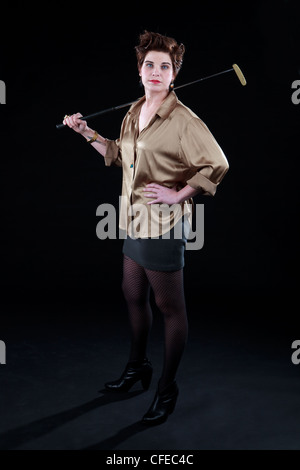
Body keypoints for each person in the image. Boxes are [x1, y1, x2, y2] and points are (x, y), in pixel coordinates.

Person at [63, 31, 229, 425]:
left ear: (174, 75)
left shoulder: (185, 120)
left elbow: (217, 164)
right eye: (149, 65)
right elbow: (119, 156)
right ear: (140, 71)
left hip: (163, 225)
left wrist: (180, 195)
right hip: (133, 219)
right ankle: (138, 367)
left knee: (170, 308)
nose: (156, 71)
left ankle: (167, 389)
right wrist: (86, 133)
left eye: (164, 66)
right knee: (132, 294)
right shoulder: (134, 110)